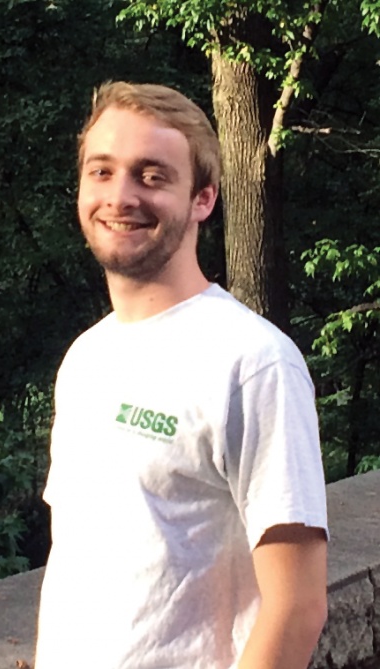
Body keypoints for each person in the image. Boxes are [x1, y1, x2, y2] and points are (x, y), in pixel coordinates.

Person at [35, 81, 328, 669]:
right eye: (102, 171)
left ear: (203, 199)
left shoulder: (252, 362)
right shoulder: (85, 359)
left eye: (151, 176)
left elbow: (297, 607)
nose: (120, 196)